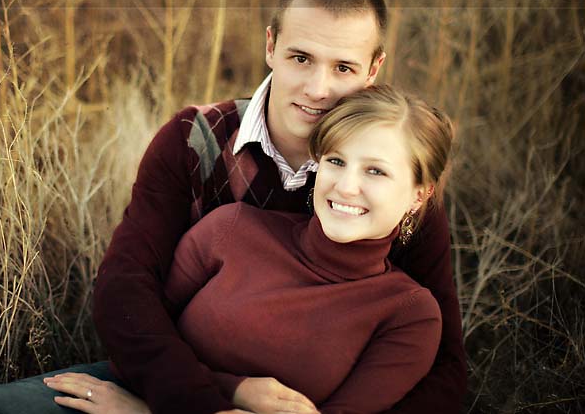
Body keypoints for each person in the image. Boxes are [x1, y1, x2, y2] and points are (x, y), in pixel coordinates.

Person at [0, 0, 466, 414]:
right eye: (300, 58)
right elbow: (127, 287)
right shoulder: (195, 141)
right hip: (170, 382)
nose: (318, 89)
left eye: (344, 68)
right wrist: (204, 403)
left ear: (373, 69)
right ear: (271, 46)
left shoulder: (392, 188)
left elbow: (441, 366)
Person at [43, 84, 454, 414]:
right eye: (335, 161)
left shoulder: (408, 315)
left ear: (419, 194)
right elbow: (134, 345)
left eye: (376, 171)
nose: (346, 186)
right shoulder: (230, 228)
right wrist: (235, 391)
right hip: (126, 394)